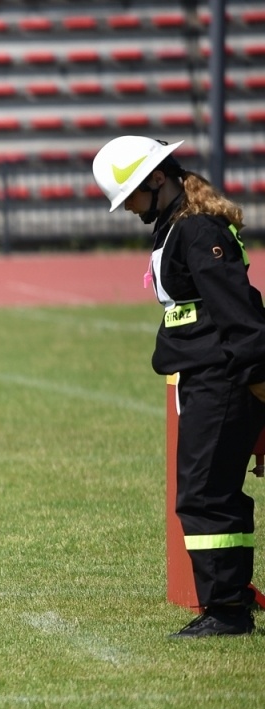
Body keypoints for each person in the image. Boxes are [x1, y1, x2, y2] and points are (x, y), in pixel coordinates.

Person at [93, 136, 265, 637]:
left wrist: (257, 383)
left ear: (156, 179)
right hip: (206, 378)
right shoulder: (177, 226)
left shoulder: (196, 229)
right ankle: (233, 597)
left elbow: (239, 313)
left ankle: (226, 611)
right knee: (214, 492)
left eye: (130, 196)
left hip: (223, 379)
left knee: (204, 496)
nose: (128, 208)